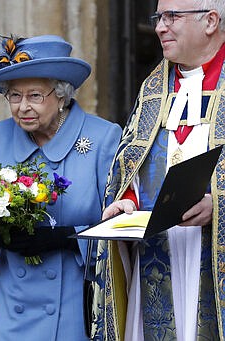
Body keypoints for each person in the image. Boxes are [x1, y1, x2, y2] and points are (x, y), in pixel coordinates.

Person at [0, 35, 122, 340]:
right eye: (14, 95)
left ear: (62, 94)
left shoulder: (103, 137)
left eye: (35, 95)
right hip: (13, 306)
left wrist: (66, 238)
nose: (23, 107)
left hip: (74, 304)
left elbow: (119, 228)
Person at [91, 1, 225, 340]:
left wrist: (219, 204)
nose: (159, 27)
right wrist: (128, 202)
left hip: (210, 258)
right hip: (157, 256)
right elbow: (135, 162)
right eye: (158, 17)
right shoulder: (153, 88)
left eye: (172, 17)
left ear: (210, 21)